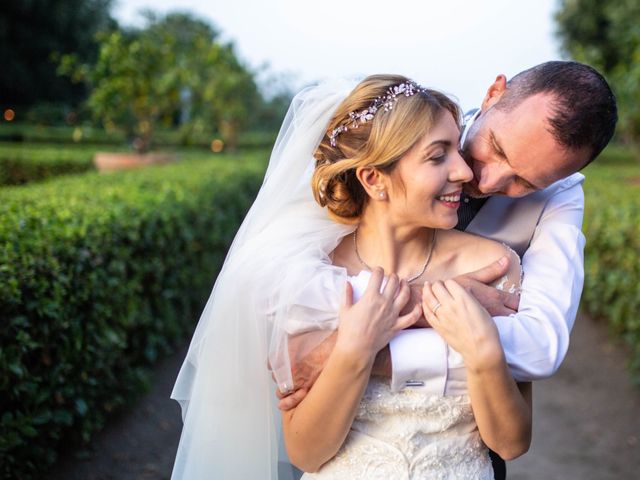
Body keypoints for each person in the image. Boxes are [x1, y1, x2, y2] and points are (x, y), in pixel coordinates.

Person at [170, 74, 531, 479]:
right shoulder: (310, 279)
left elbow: (511, 444)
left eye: (456, 150)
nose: (465, 171)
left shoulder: (496, 267)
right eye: (437, 156)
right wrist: (354, 351)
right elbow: (307, 453)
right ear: (374, 179)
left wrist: (484, 352)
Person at [277, 61, 618, 479]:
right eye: (495, 148)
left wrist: (390, 322)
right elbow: (304, 449)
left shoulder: (500, 262)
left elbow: (540, 347)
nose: (484, 180)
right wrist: (373, 331)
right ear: (493, 94)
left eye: (525, 185)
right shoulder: (318, 264)